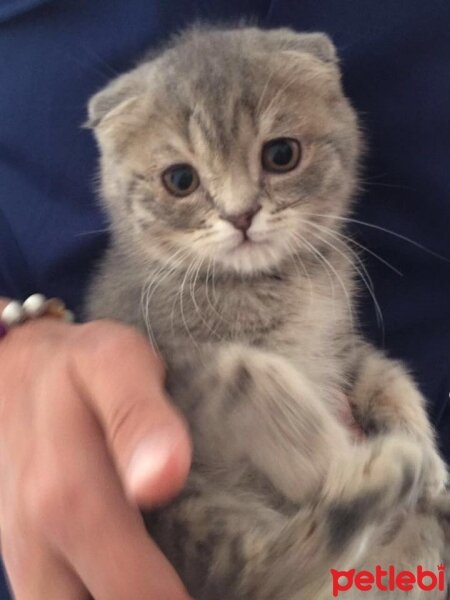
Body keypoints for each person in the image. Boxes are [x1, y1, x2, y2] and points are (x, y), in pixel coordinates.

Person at [1, 1, 449, 597]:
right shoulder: (153, 295)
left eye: (280, 155)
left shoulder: (330, 262)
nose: (240, 210)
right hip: (87, 491)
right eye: (182, 181)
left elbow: (347, 360)